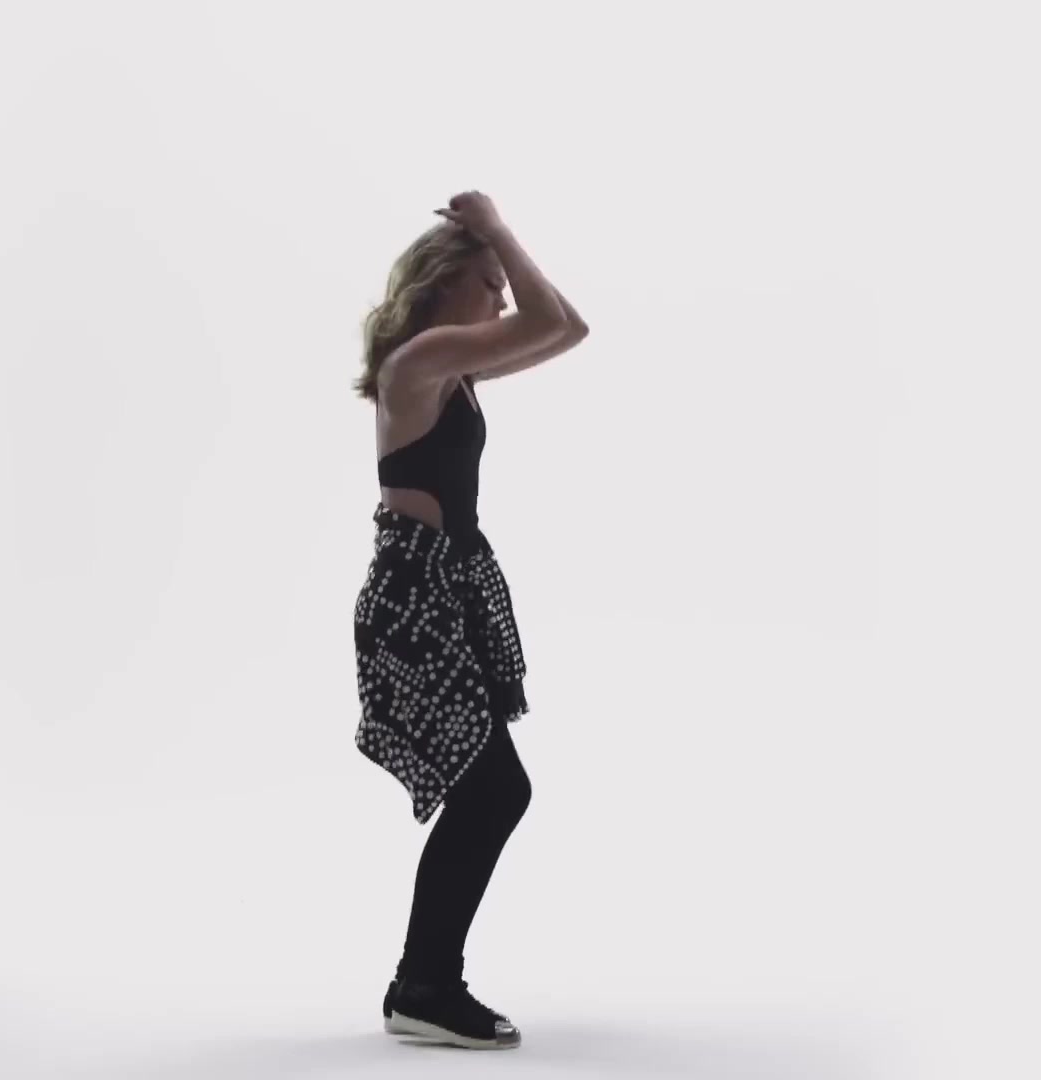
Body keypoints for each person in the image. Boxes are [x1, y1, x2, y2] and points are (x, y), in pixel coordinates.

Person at [351, 191, 589, 1049]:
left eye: (500, 283)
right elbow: (552, 319)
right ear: (441, 281)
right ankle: (424, 986)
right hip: (416, 603)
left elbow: (564, 328)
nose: (501, 296)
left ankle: (421, 984)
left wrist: (494, 247)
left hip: (441, 597)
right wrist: (495, 230)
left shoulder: (452, 371)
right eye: (487, 281)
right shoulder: (421, 359)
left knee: (490, 791)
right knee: (493, 790)